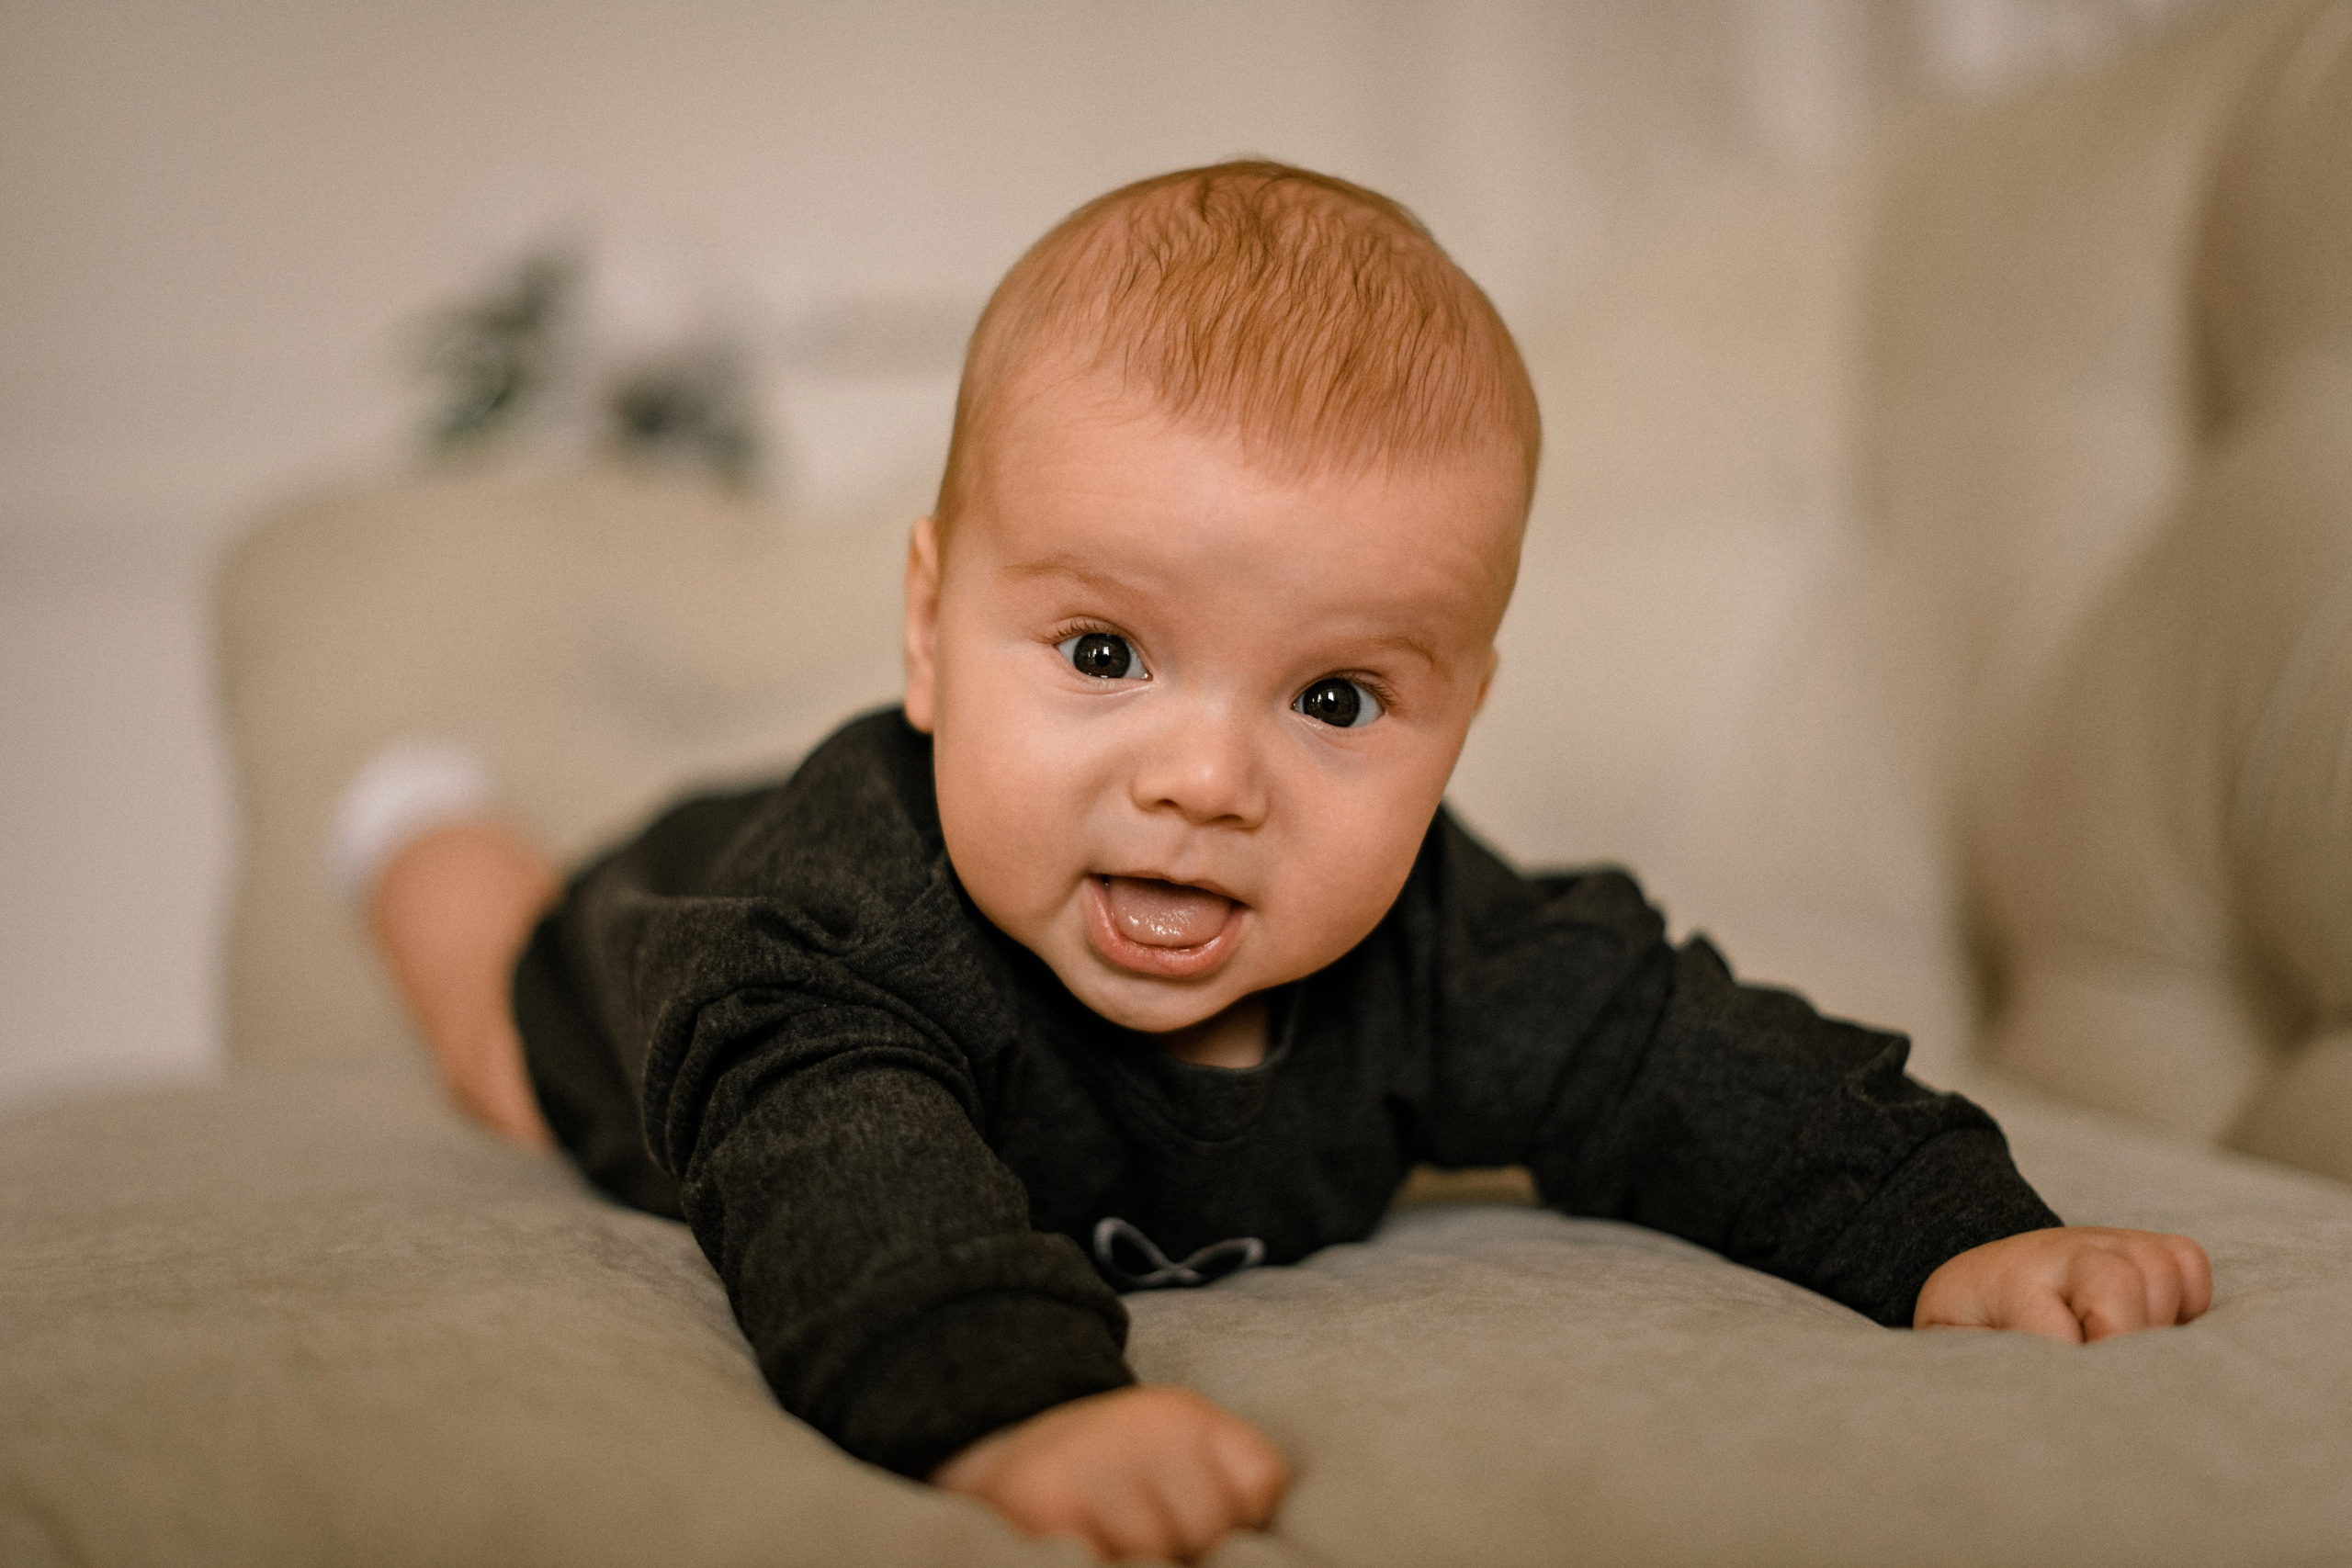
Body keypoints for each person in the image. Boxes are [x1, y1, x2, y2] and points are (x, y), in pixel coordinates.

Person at [356, 162, 2214, 1566]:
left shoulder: (1444, 943)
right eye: (1104, 651)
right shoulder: (825, 947)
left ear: (1458, 717)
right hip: (651, 943)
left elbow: (1672, 1048)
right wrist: (1011, 1400)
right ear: (926, 630)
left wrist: (1947, 1224)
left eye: (1334, 697)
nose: (1203, 781)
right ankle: (424, 836)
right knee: (497, 1023)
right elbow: (844, 1172)